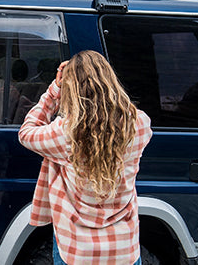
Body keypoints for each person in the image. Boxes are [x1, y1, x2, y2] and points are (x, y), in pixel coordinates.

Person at [18, 50, 152, 265]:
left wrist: (54, 92)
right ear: (110, 80)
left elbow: (26, 133)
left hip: (76, 252)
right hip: (124, 250)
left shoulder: (65, 133)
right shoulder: (140, 124)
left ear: (71, 89)